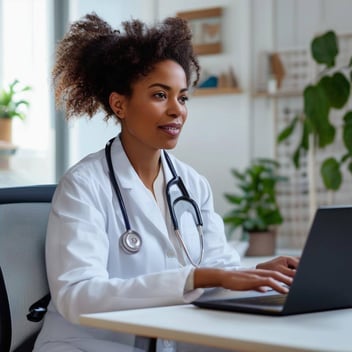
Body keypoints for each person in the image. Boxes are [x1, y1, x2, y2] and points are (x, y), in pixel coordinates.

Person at [34, 12, 299, 352]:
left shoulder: (192, 184)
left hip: (166, 340)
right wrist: (198, 277)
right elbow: (76, 296)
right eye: (160, 95)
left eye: (183, 97)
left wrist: (260, 273)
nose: (177, 110)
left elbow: (219, 270)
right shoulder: (83, 185)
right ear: (120, 104)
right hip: (85, 344)